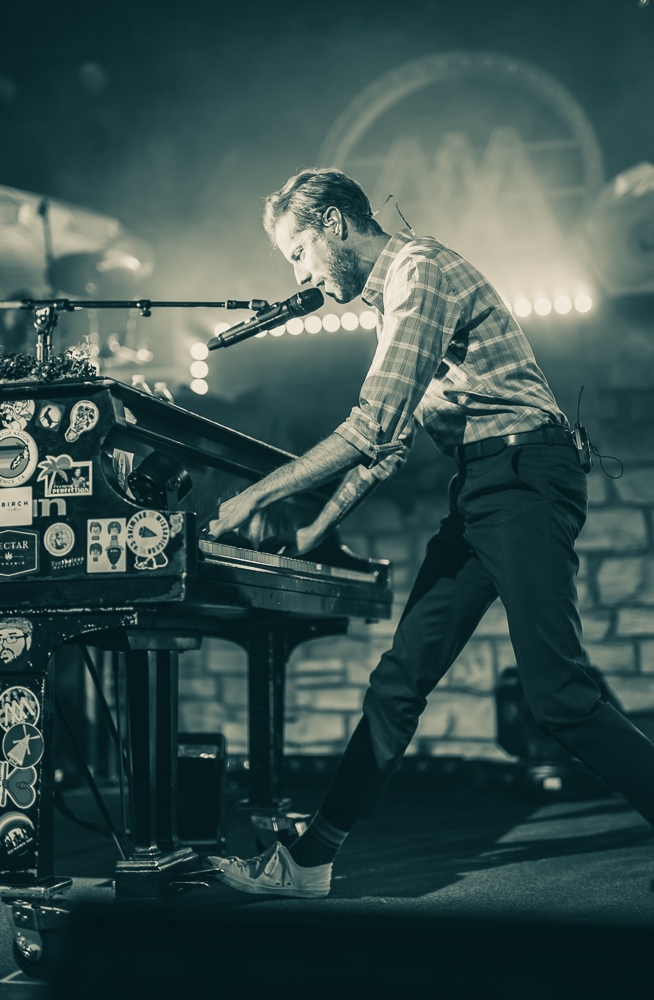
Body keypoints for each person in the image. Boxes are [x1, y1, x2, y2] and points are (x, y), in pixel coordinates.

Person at [203, 167, 654, 898]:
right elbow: (386, 449)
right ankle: (310, 862)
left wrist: (249, 498)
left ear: (333, 224)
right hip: (483, 488)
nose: (300, 274)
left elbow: (369, 425)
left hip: (522, 478)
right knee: (398, 682)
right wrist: (313, 531)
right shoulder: (396, 303)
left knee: (559, 696)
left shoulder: (420, 272)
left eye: (298, 252)